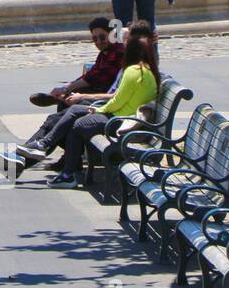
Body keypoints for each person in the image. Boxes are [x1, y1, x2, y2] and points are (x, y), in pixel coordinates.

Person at [0, 17, 137, 179]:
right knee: (61, 113)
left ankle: (21, 157)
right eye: (94, 38)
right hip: (101, 103)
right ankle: (24, 157)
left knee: (60, 118)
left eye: (102, 37)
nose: (98, 41)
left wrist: (74, 92)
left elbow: (104, 84)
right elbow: (92, 76)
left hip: (107, 110)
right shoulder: (106, 54)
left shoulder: (120, 54)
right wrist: (69, 90)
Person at [47, 33, 161, 188]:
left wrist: (98, 110)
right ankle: (49, 149)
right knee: (75, 110)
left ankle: (67, 173)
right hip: (124, 116)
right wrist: (96, 108)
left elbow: (117, 101)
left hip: (121, 121)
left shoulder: (133, 71)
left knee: (79, 125)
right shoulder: (147, 70)